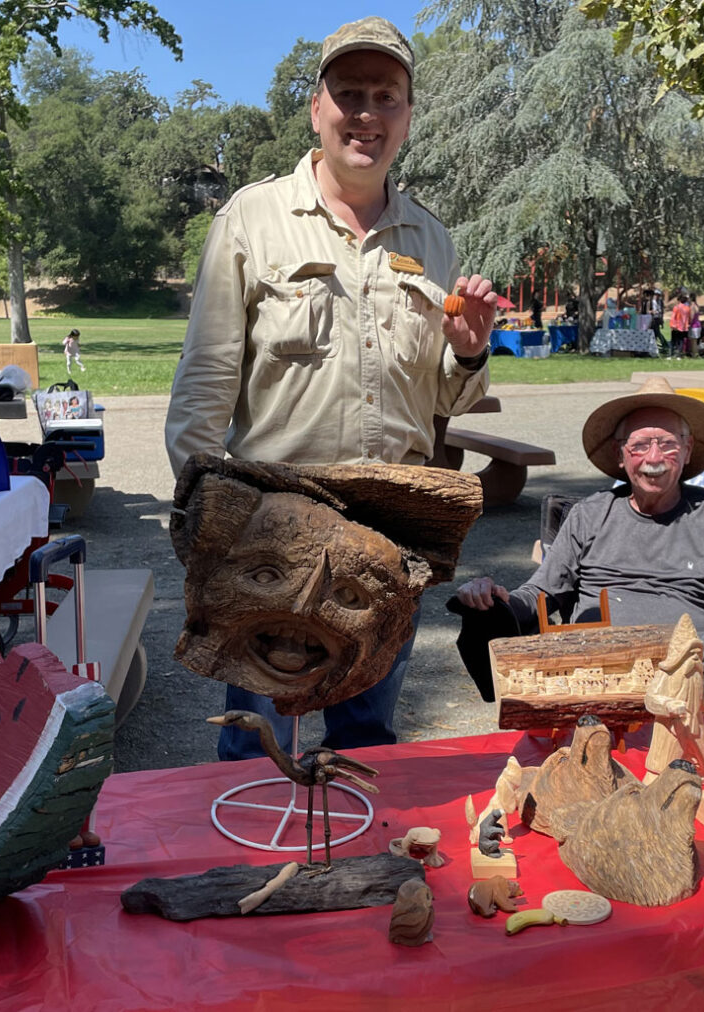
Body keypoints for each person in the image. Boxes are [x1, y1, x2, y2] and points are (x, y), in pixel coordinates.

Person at [165, 15, 496, 763]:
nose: (367, 114)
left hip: (388, 534)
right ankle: (251, 870)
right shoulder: (254, 218)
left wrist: (470, 354)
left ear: (407, 116)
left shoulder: (429, 238)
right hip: (276, 530)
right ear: (316, 107)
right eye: (349, 94)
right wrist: (206, 524)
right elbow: (204, 382)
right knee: (257, 738)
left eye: (386, 97)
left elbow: (447, 404)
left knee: (367, 737)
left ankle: (366, 877)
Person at [456, 377, 704, 673]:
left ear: (687, 451)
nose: (654, 458)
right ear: (620, 454)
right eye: (640, 445)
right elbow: (540, 592)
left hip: (683, 675)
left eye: (669, 444)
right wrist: (497, 600)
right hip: (590, 672)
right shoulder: (590, 513)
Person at [668, 292, 691, 358]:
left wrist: (672, 325)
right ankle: (679, 355)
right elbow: (688, 318)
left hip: (676, 326)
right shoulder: (687, 308)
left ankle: (671, 355)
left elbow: (673, 317)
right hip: (683, 327)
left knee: (673, 341)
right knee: (681, 341)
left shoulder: (676, 307)